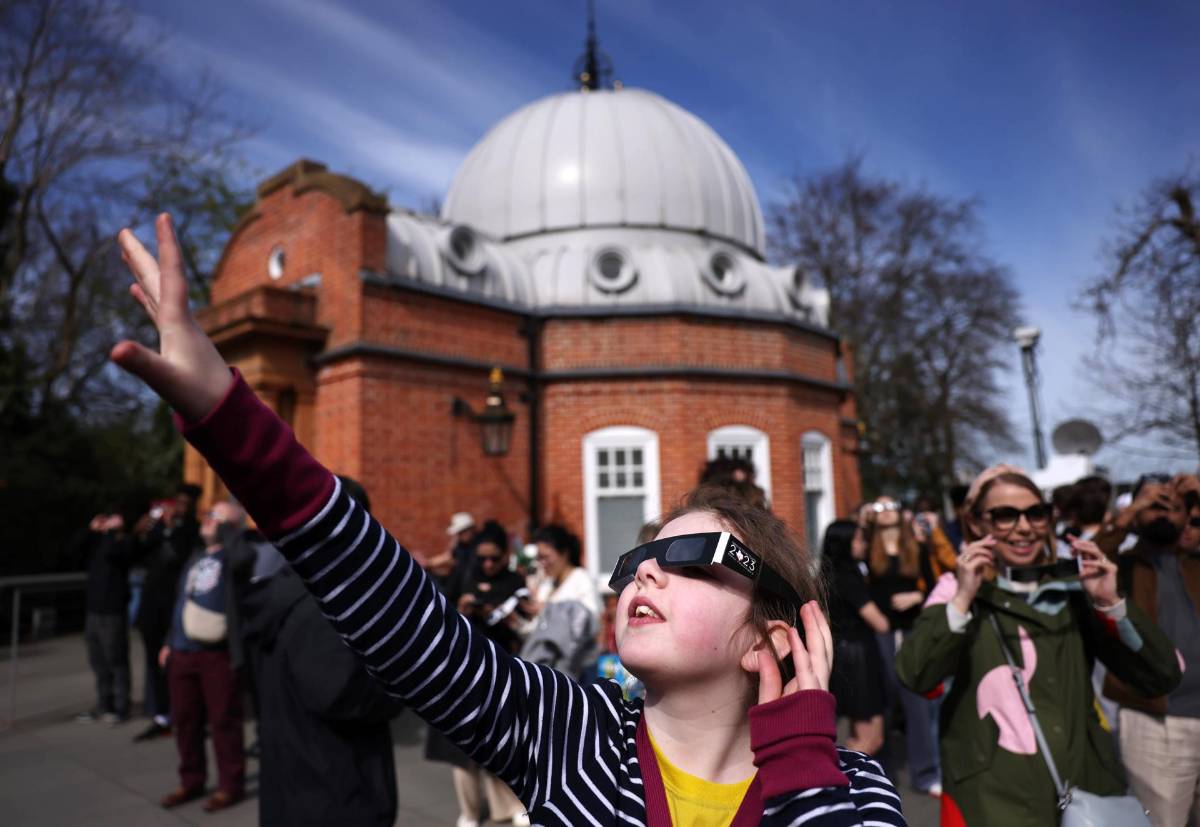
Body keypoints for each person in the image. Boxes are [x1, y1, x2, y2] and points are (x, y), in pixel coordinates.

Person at [112, 214, 903, 826]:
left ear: (775, 632)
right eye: (634, 562)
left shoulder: (853, 787)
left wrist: (800, 759)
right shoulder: (575, 731)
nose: (645, 570)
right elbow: (403, 617)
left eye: (692, 554)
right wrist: (226, 412)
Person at [896, 465, 1182, 826]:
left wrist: (1112, 604)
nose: (1023, 526)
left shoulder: (1074, 588)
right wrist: (963, 598)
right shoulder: (956, 591)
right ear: (977, 524)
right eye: (1004, 516)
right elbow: (916, 674)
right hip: (994, 802)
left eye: (1035, 513)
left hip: (1085, 793)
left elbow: (1161, 675)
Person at [241, 474, 407, 827]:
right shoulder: (325, 606)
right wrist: (397, 684)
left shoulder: (284, 591)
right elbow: (340, 693)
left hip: (295, 787)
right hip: (335, 793)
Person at [1100, 473, 1200, 827]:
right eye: (1153, 504)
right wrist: (1128, 516)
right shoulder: (1123, 566)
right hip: (1157, 723)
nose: (1163, 512)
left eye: (1173, 506)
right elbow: (1089, 562)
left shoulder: (1194, 562)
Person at [158, 499, 254, 812]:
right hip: (183, 653)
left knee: (224, 721)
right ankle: (191, 780)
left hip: (218, 655)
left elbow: (244, 559)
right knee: (185, 721)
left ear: (232, 527)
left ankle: (231, 785)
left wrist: (231, 530)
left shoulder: (233, 556)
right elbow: (180, 602)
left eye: (217, 517)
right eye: (209, 515)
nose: (209, 520)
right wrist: (169, 642)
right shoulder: (196, 557)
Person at [863, 496, 942, 795]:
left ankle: (925, 773)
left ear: (900, 512)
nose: (885, 511)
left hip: (911, 631)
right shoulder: (868, 549)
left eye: (890, 506)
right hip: (881, 632)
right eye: (878, 507)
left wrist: (915, 597)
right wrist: (864, 520)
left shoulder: (915, 547)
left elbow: (935, 585)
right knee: (884, 698)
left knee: (918, 701)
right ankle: (880, 775)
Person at [131, 484, 200, 741]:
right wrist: (142, 529)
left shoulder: (191, 531)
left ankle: (187, 715)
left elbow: (175, 557)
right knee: (153, 662)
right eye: (176, 502)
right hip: (152, 606)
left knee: (178, 663)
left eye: (184, 503)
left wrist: (167, 528)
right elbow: (138, 552)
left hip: (174, 607)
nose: (178, 508)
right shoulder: (162, 530)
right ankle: (162, 715)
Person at [822, 519, 888, 756]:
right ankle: (845, 788)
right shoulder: (847, 578)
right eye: (859, 539)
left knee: (870, 736)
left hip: (850, 651)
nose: (863, 544)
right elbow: (880, 623)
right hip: (857, 655)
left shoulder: (832, 575)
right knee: (867, 740)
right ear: (845, 543)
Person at [74, 511, 135, 724]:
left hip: (113, 611)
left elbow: (113, 554)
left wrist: (111, 532)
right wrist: (91, 529)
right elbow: (74, 550)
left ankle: (121, 707)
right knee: (98, 660)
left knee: (116, 659)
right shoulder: (97, 541)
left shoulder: (124, 542)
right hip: (94, 610)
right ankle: (103, 704)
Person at [520, 523, 599, 679]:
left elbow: (589, 620)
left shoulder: (581, 579)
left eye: (546, 557)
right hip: (548, 669)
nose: (541, 563)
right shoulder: (546, 585)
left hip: (577, 669)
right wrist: (515, 622)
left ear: (564, 553)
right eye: (538, 558)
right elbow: (538, 631)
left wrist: (548, 609)